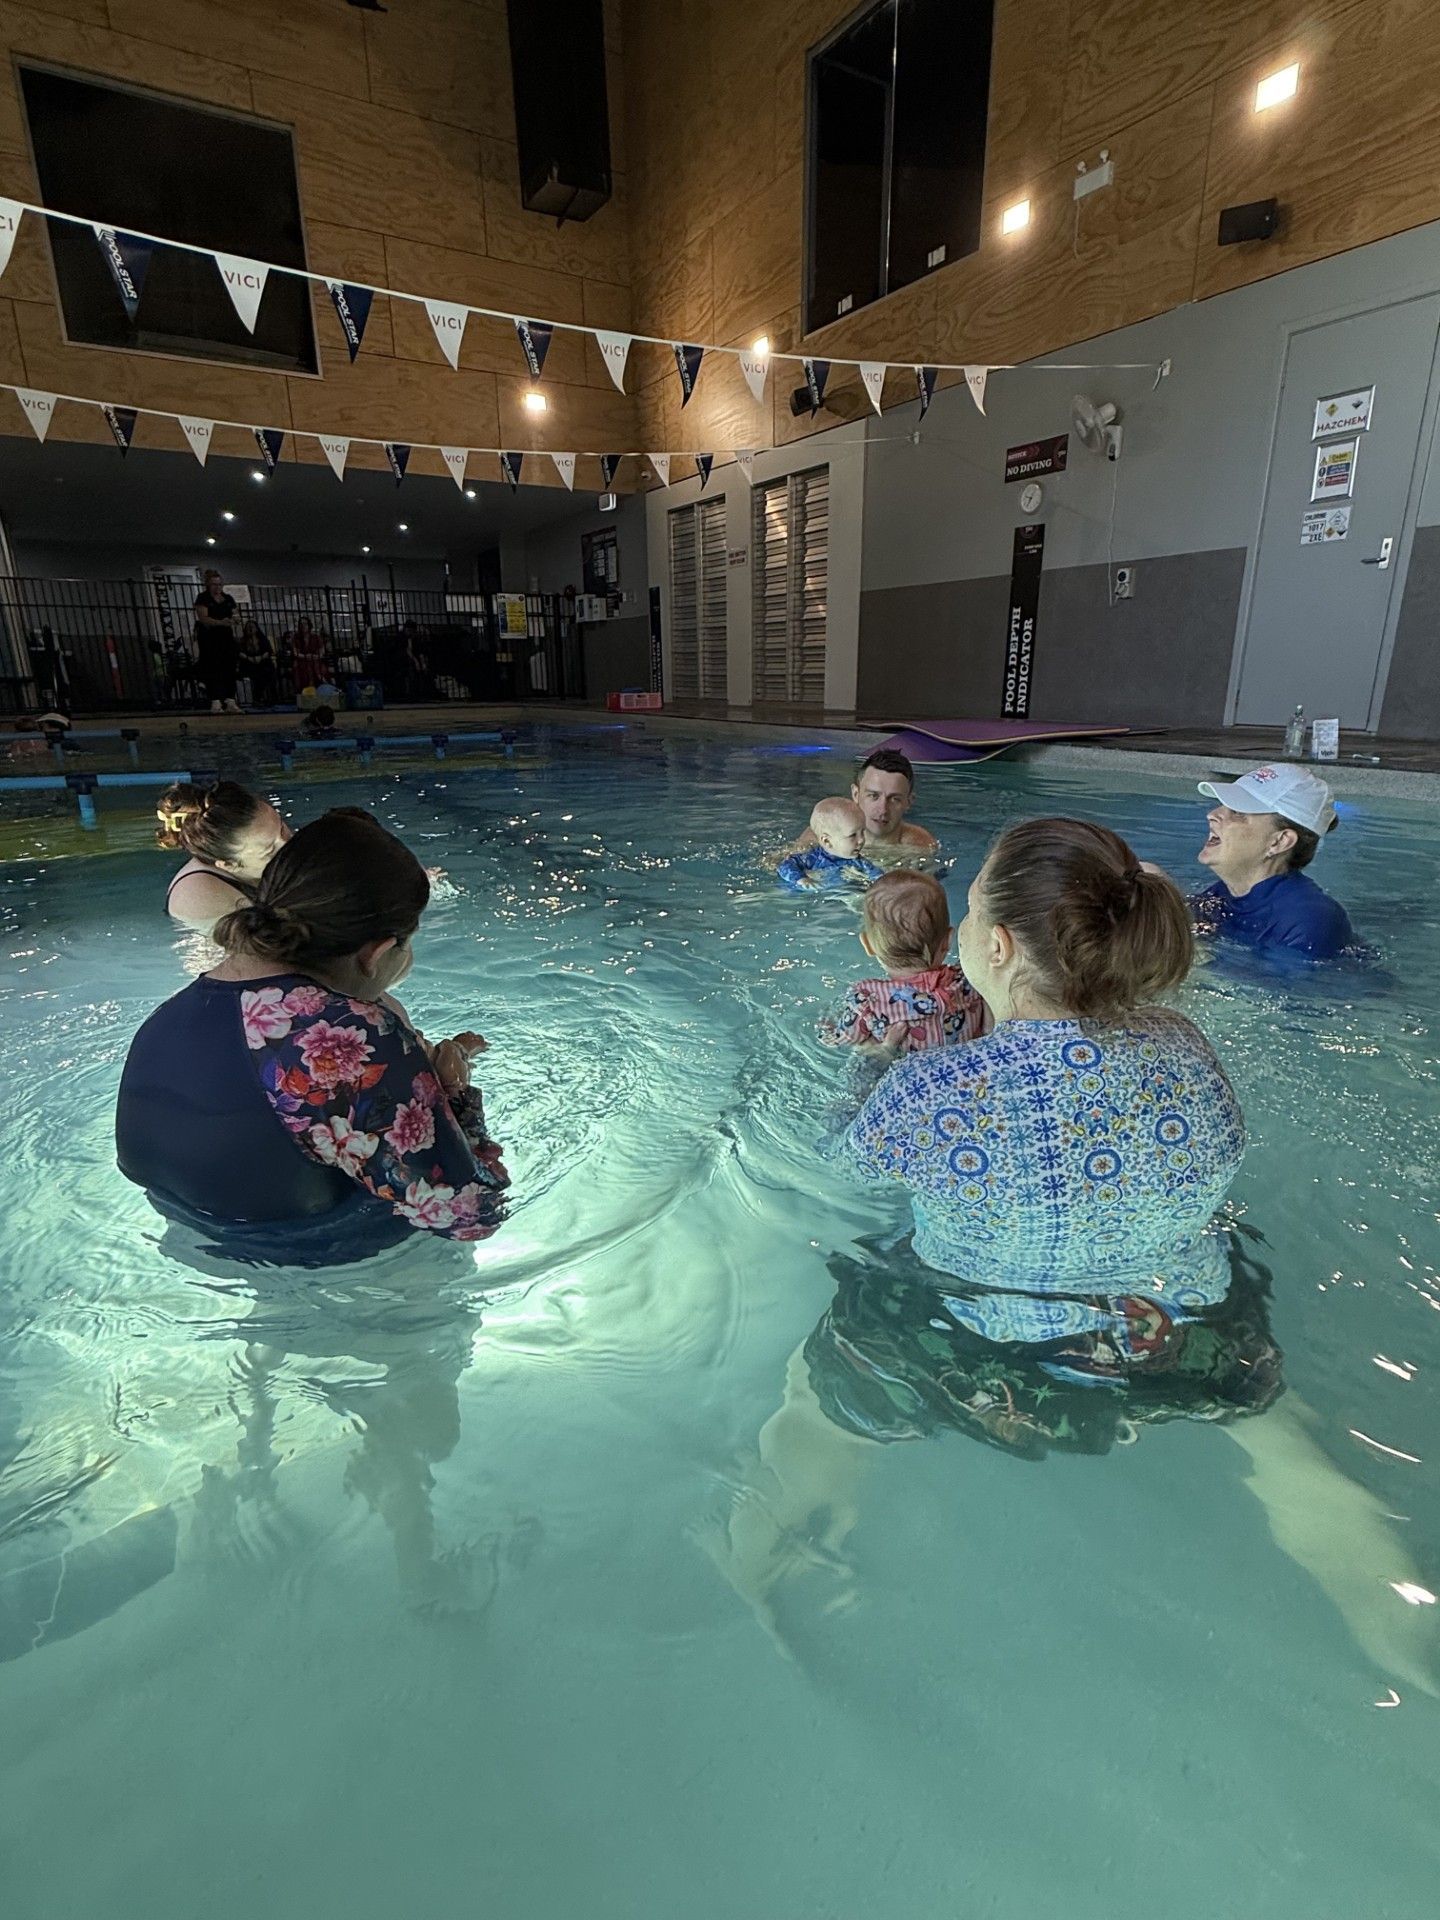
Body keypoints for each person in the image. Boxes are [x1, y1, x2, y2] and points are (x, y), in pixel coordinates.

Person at [116, 808, 508, 1262]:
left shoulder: (174, 1011)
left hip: (193, 1239)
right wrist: (454, 1088)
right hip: (339, 1270)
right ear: (377, 952)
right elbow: (469, 1214)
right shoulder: (351, 1038)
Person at [1192, 765, 1355, 959]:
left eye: (1237, 811)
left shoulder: (1310, 919)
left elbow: (1290, 988)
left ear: (1279, 842)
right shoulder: (1219, 896)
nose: (1212, 815)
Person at [820, 869, 985, 1055]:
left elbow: (839, 1040)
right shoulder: (969, 980)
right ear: (947, 941)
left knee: (865, 1053)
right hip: (966, 1071)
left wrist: (826, 1025)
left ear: (868, 945)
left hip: (905, 1075)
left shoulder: (867, 1000)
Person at [157, 780, 291, 934]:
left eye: (282, 828)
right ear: (229, 865)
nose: (289, 844)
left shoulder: (259, 852)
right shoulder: (201, 898)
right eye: (270, 849)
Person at [778, 748, 939, 870]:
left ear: (909, 802)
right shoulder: (821, 835)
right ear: (856, 794)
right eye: (873, 796)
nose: (883, 809)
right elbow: (780, 867)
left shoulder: (919, 847)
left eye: (894, 799)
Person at [776, 798, 882, 891]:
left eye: (862, 832)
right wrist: (801, 879)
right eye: (853, 835)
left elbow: (880, 879)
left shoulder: (860, 863)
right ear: (827, 841)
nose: (861, 840)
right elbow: (785, 865)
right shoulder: (812, 858)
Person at [192, 569, 242, 714]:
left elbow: (235, 613)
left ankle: (230, 700)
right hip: (209, 638)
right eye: (214, 584)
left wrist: (235, 619)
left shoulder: (228, 599)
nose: (217, 587)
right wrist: (221, 622)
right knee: (213, 667)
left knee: (229, 667)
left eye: (219, 584)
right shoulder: (203, 598)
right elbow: (204, 618)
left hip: (226, 637)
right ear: (208, 585)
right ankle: (215, 700)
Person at [237, 619, 278, 707]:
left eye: (252, 627)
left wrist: (260, 657)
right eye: (248, 627)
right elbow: (239, 653)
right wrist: (249, 658)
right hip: (248, 663)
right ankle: (257, 698)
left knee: (268, 672)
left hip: (262, 662)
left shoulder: (262, 639)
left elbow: (268, 651)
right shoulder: (242, 641)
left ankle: (271, 698)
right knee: (255, 674)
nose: (250, 629)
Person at [291, 616, 329, 695]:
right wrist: (306, 656)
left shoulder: (315, 637)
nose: (303, 626)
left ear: (309, 625)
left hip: (315, 660)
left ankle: (319, 684)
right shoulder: (296, 638)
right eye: (301, 624)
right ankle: (317, 682)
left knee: (315, 665)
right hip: (302, 661)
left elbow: (321, 652)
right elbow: (295, 653)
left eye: (305, 624)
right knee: (304, 667)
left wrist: (315, 656)